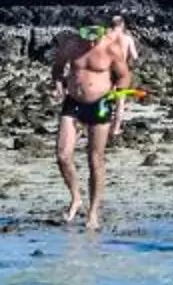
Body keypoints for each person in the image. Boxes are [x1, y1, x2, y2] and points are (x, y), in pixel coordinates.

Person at [54, 21, 130, 232]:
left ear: (103, 31)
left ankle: (93, 212)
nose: (91, 41)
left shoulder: (110, 49)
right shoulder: (70, 46)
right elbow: (58, 69)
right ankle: (76, 198)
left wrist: (119, 112)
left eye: (95, 35)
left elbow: (124, 77)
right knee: (62, 155)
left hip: (101, 105)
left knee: (95, 160)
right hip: (73, 103)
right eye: (87, 35)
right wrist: (58, 86)